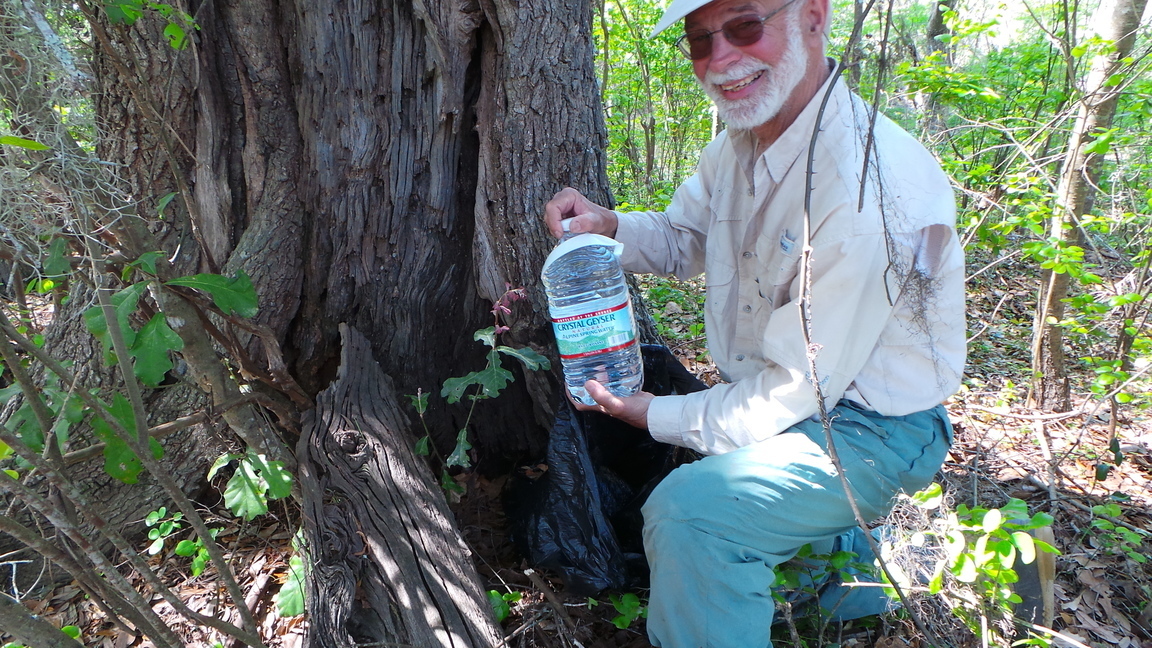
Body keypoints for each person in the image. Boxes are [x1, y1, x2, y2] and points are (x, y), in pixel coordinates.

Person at [543, 0, 966, 644]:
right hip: (806, 401)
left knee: (691, 515)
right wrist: (612, 228)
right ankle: (843, 596)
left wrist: (652, 413)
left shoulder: (864, 188)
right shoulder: (739, 145)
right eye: (699, 41)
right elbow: (686, 238)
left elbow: (798, 389)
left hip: (876, 427)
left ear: (814, 16)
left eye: (744, 26)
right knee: (721, 464)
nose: (720, 60)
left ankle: (845, 563)